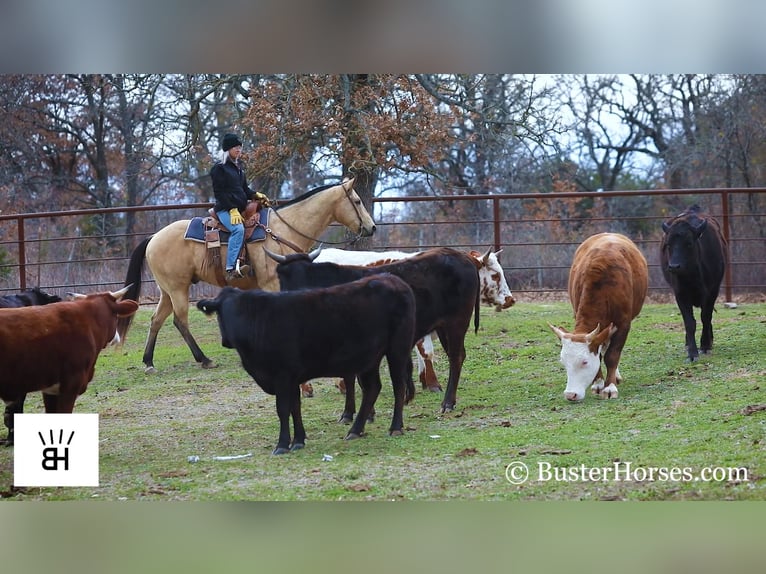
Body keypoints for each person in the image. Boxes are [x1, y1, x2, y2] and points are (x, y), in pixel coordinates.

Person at [210, 132, 256, 282]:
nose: (239, 150)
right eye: (236, 147)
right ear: (228, 149)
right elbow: (220, 194)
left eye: (240, 147)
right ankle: (230, 268)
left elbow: (244, 190)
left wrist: (256, 195)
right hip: (224, 209)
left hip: (239, 209)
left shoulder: (238, 167)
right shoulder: (219, 168)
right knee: (238, 229)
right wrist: (232, 209)